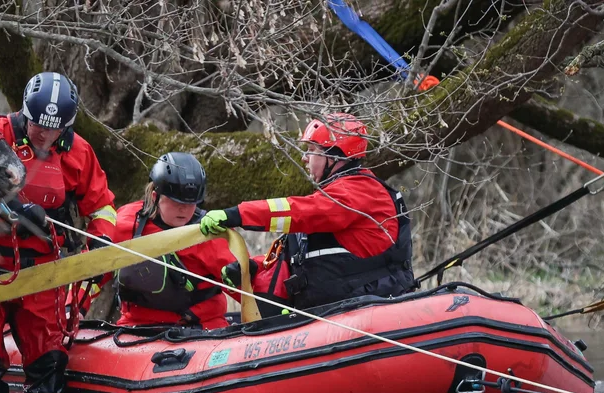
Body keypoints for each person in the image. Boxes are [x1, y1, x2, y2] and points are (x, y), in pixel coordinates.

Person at [0, 72, 117, 393]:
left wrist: (100, 245)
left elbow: (102, 207)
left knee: (48, 359)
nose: (43, 134)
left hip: (41, 270)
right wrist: (4, 208)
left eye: (53, 129)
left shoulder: (79, 153)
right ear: (24, 112)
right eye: (38, 124)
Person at [200, 112, 414, 311]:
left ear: (334, 156)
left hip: (366, 310)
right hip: (331, 312)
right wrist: (252, 267)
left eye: (312, 151)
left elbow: (300, 212)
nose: (304, 158)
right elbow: (292, 252)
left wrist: (237, 214)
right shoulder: (338, 193)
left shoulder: (357, 192)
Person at [107, 152, 235, 330]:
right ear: (155, 197)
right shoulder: (126, 222)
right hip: (136, 325)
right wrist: (74, 310)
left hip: (201, 328)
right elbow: (92, 272)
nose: (183, 209)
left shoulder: (211, 234)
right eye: (175, 202)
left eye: (190, 203)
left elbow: (245, 285)